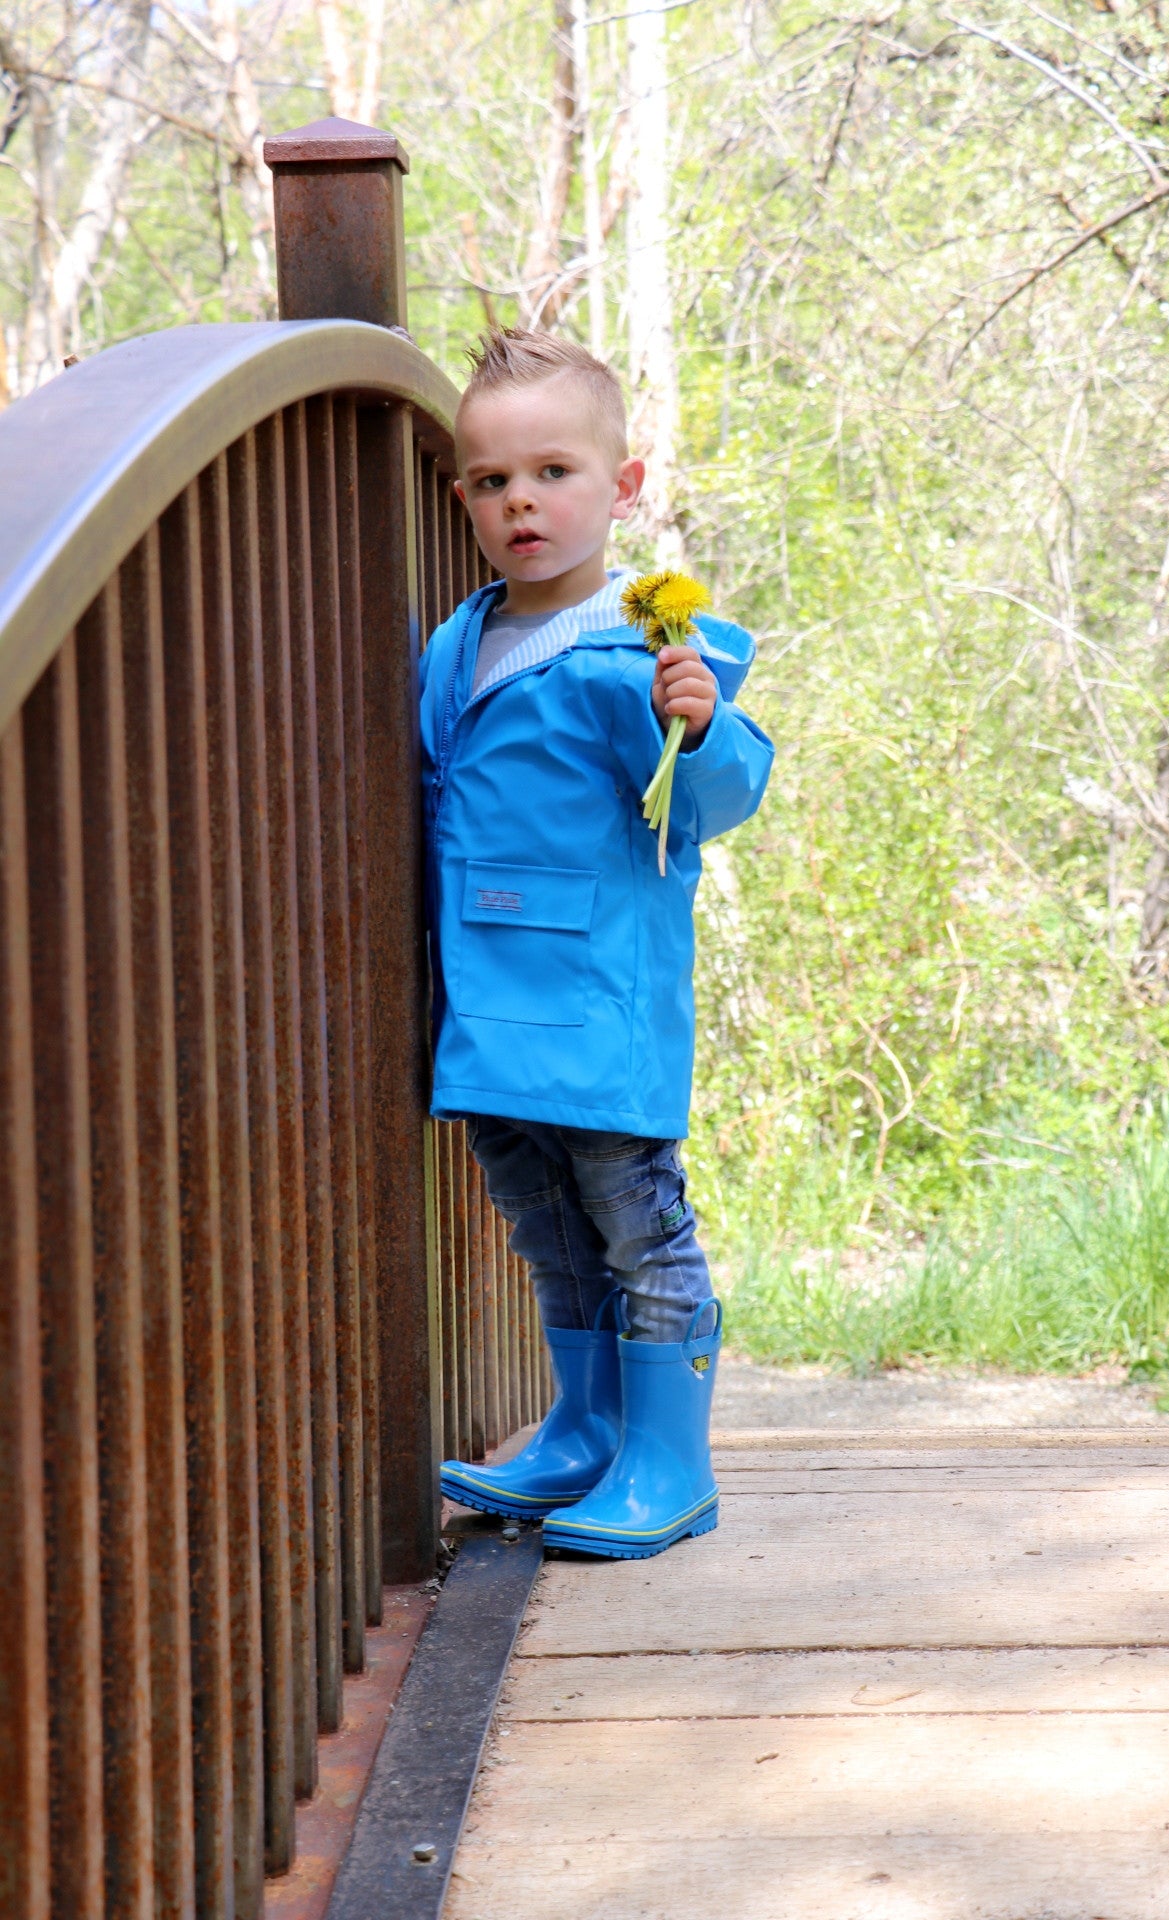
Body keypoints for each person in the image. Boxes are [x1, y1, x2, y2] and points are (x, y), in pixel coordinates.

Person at [422, 327, 773, 1559]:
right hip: (486, 1000)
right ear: (463, 496)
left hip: (594, 1000)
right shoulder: (459, 641)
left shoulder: (645, 654)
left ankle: (670, 1460)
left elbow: (711, 803)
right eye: (489, 481)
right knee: (544, 1224)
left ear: (619, 489)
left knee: (634, 1223)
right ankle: (584, 1429)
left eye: (554, 473)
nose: (521, 501)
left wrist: (708, 725)